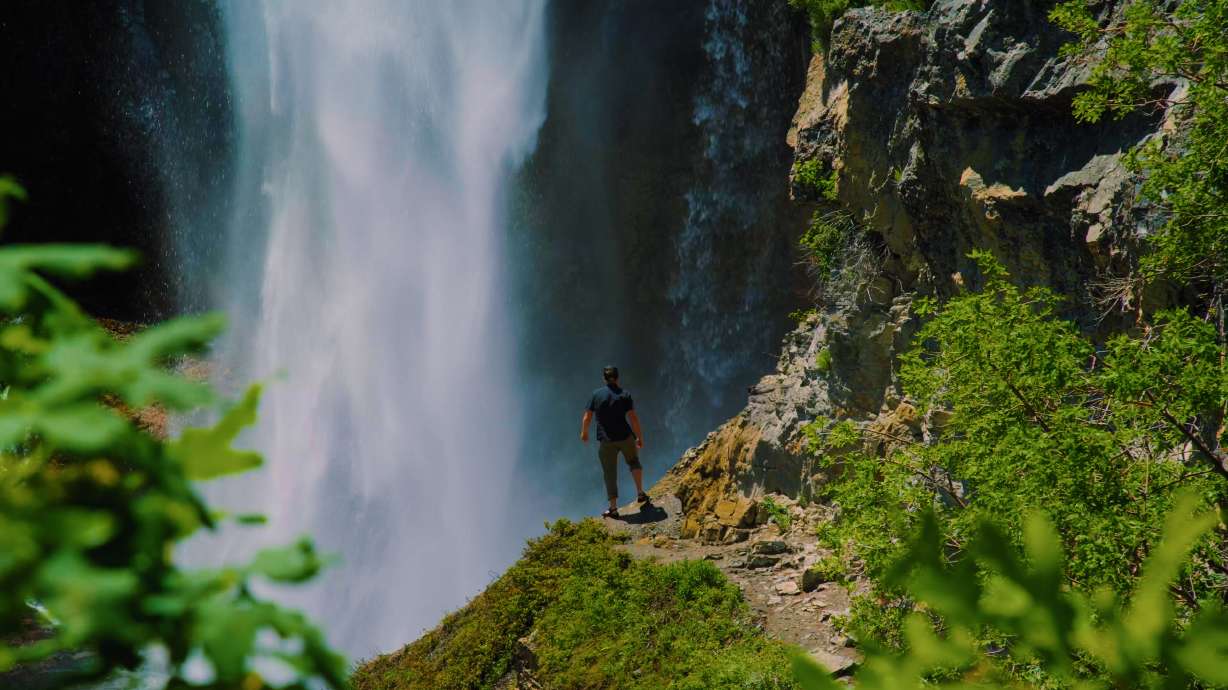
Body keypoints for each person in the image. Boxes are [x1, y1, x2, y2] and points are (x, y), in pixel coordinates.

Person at [580, 365, 647, 518]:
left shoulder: (596, 395)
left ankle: (613, 508)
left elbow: (587, 417)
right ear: (617, 378)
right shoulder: (625, 394)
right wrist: (639, 437)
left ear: (604, 378)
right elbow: (633, 418)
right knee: (634, 461)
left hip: (606, 440)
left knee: (609, 473)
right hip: (625, 437)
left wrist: (584, 432)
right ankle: (640, 493)